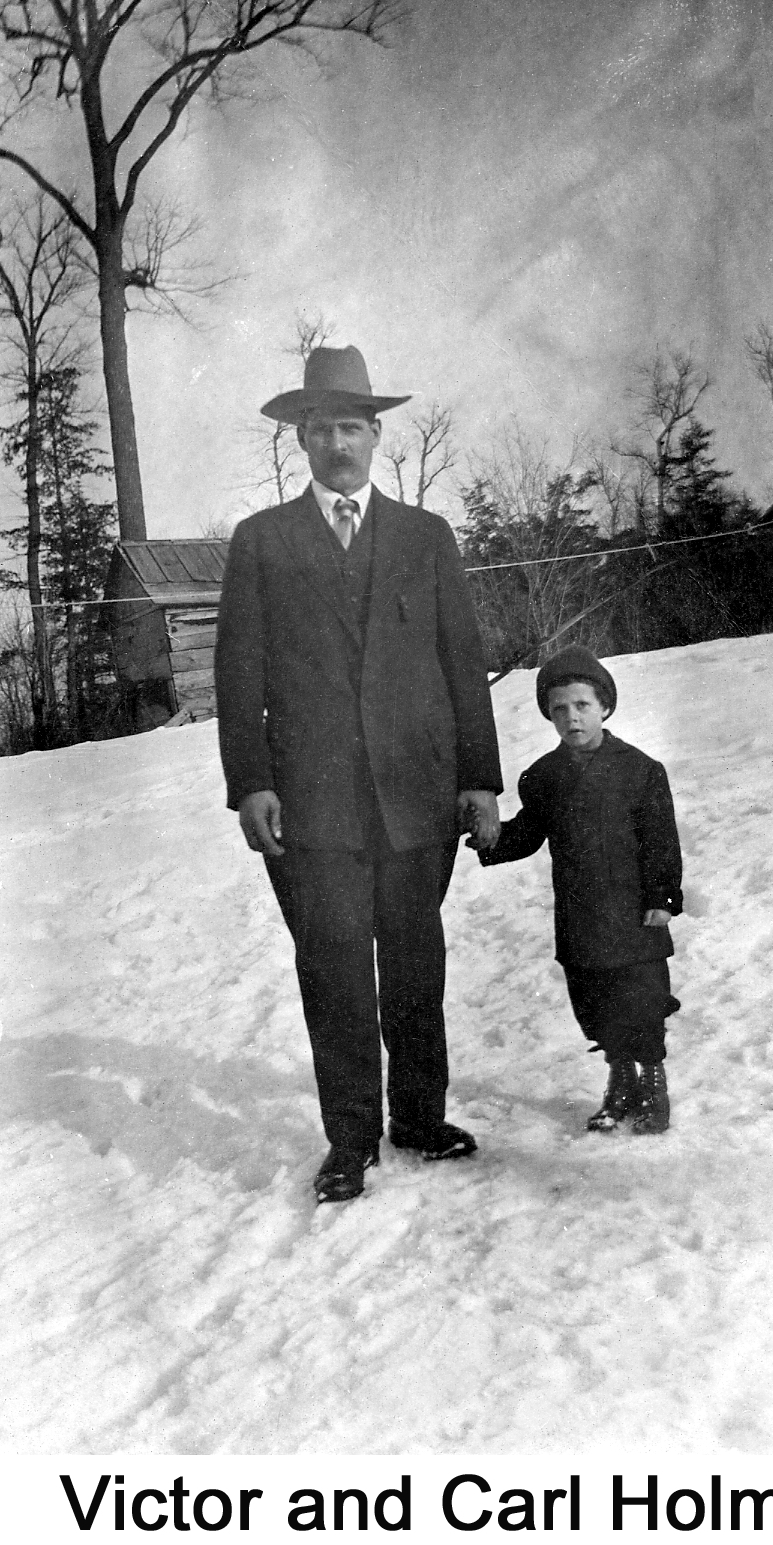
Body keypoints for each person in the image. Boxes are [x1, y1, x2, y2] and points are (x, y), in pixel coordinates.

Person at [214, 345, 503, 1202]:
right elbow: (239, 675)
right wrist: (251, 781)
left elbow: (463, 661)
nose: (338, 441)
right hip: (314, 806)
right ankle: (352, 1137)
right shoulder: (262, 543)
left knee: (416, 963)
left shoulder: (426, 537)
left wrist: (480, 777)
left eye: (351, 425)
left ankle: (419, 1115)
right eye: (321, 427)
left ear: (376, 434)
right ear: (301, 440)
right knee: (335, 966)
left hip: (418, 795)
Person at [476, 645, 682, 1134]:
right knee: (594, 1002)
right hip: (581, 914)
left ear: (605, 706)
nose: (572, 718)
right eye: (560, 709)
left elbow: (661, 842)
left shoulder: (641, 770)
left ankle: (652, 1081)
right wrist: (489, 836)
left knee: (642, 1001)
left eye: (582, 705)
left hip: (634, 915)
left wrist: (662, 898)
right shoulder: (544, 777)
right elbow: (528, 833)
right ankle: (620, 1081)